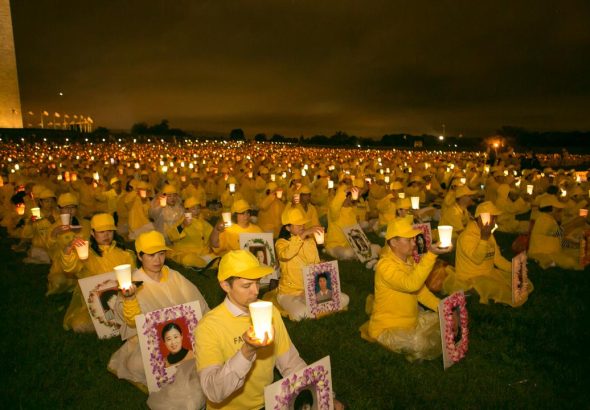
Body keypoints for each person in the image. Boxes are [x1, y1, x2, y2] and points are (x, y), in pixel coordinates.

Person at [195, 250, 344, 410]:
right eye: (247, 285)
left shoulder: (269, 312)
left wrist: (325, 396)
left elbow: (291, 363)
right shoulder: (208, 327)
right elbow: (213, 392)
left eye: (257, 282)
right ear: (225, 285)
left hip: (267, 404)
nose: (256, 291)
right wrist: (247, 351)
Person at [108, 230, 209, 410]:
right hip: (153, 342)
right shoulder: (132, 283)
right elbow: (130, 320)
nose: (158, 260)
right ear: (139, 256)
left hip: (185, 337)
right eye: (151, 255)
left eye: (161, 254)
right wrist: (130, 299)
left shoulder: (174, 276)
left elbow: (198, 304)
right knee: (136, 364)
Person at [360, 218, 451, 361]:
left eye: (413, 239)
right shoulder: (385, 267)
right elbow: (411, 285)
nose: (414, 242)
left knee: (444, 320)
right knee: (420, 343)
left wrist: (444, 308)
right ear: (394, 242)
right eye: (408, 240)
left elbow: (420, 292)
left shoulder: (408, 261)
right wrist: (431, 255)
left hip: (410, 322)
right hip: (387, 328)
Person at [444, 201, 534, 306]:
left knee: (523, 283)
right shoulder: (467, 236)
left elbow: (497, 259)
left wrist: (515, 268)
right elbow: (477, 259)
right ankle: (473, 291)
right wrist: (484, 239)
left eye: (494, 218)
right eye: (491, 218)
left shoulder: (488, 234)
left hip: (489, 273)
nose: (493, 222)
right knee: (509, 293)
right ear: (480, 218)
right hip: (472, 277)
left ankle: (484, 292)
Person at [61, 213, 136, 333]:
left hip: (122, 300)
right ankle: (113, 323)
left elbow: (133, 278)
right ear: (92, 233)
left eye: (110, 231)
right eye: (101, 232)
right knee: (79, 325)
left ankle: (119, 321)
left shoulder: (125, 254)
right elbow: (70, 268)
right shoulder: (85, 253)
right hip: (97, 303)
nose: (106, 235)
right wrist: (68, 251)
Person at [276, 208, 350, 321]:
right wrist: (304, 234)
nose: (302, 226)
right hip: (290, 292)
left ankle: (312, 306)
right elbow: (286, 255)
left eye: (303, 223)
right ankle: (312, 307)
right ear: (287, 227)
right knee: (300, 314)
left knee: (345, 298)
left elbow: (314, 265)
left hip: (310, 290)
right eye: (298, 224)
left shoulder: (310, 242)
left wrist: (321, 265)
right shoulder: (281, 243)